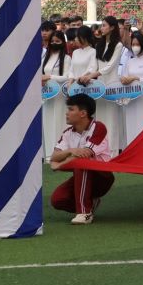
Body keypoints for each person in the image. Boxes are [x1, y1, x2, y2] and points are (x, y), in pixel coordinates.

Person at [49, 94, 118, 225]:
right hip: (80, 176)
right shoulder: (67, 133)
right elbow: (53, 157)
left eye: (71, 109)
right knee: (57, 200)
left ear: (83, 113)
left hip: (102, 178)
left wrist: (59, 165)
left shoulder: (98, 127)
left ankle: (84, 213)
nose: (67, 113)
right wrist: (70, 151)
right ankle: (90, 203)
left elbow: (84, 155)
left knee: (82, 163)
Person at [118, 30, 143, 147]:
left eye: (137, 44)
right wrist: (124, 80)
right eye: (133, 44)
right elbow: (124, 76)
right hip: (131, 99)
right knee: (130, 125)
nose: (135, 47)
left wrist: (135, 78)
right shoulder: (130, 61)